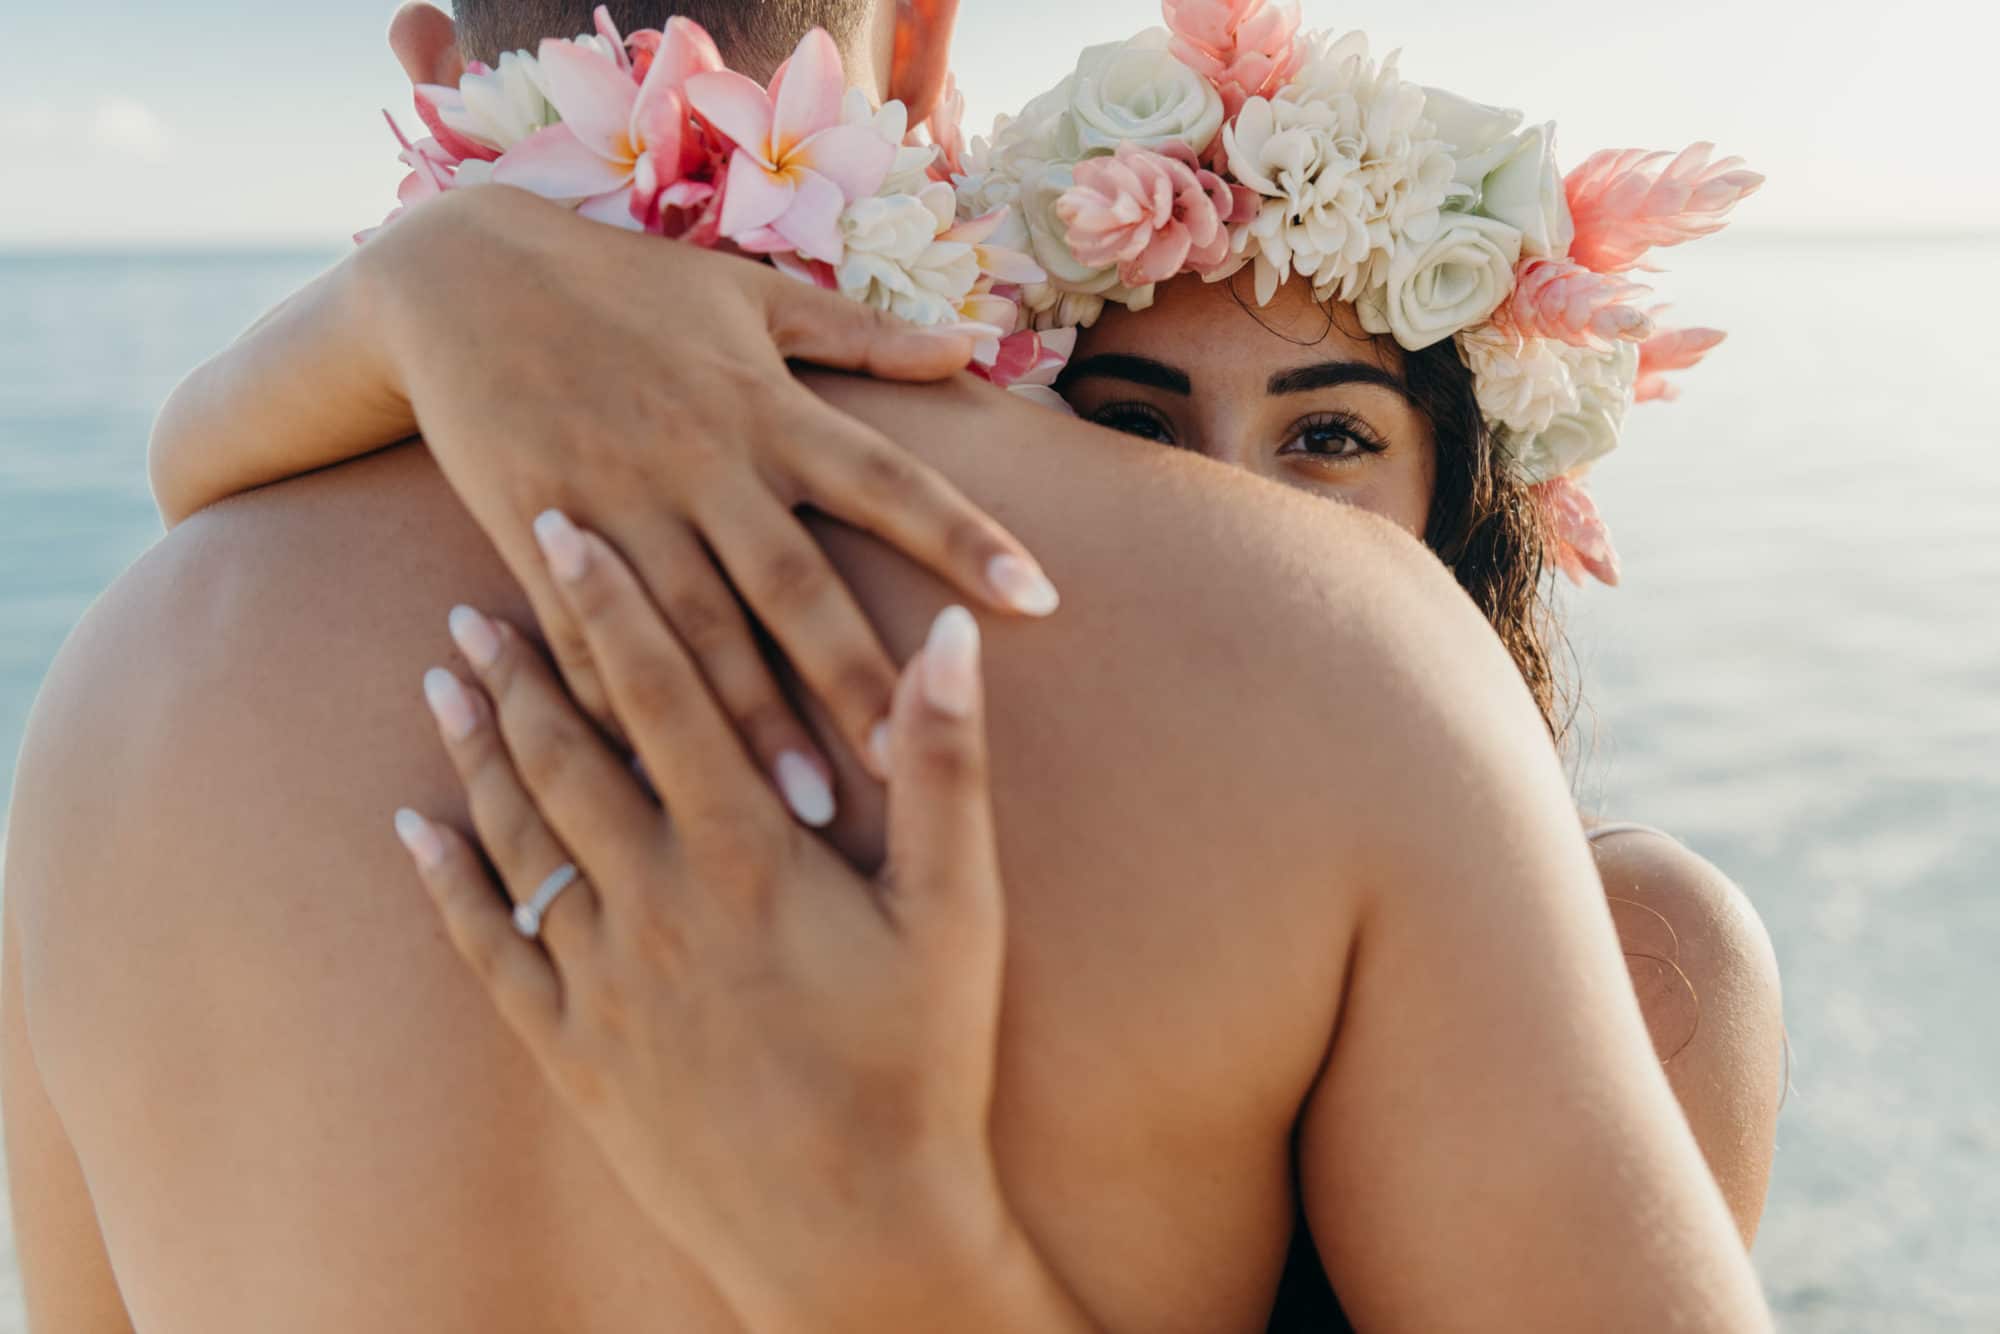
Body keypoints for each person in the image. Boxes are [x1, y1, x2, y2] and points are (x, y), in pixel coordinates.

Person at [1, 5, 1778, 1333]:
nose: (1235, 489)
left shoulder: (107, 705)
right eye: (1142, 418)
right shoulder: (1346, 676)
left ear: (421, 54)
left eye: (1325, 434)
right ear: (924, 55)